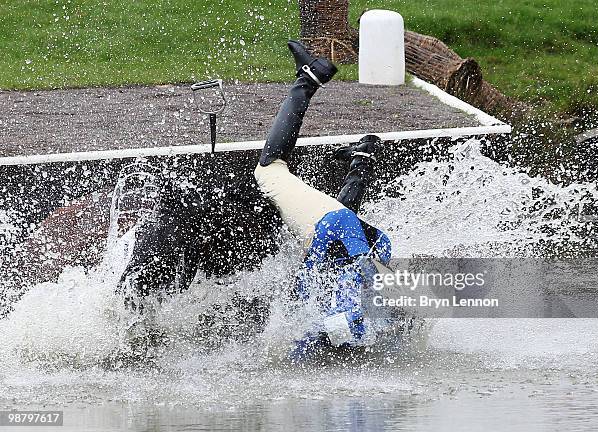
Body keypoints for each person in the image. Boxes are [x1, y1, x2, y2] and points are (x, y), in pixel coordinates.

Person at [117, 41, 393, 356]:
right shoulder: (353, 292)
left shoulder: (362, 293)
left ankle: (362, 158)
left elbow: (316, 308)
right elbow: (317, 296)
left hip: (346, 240)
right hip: (338, 236)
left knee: (335, 248)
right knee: (269, 171)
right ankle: (309, 79)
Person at [253, 41, 392, 357]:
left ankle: (311, 78)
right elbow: (353, 266)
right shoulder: (362, 279)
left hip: (337, 231)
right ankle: (362, 156)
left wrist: (293, 347)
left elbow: (312, 289)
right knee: (345, 246)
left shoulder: (354, 293)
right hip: (340, 232)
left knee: (269, 171)